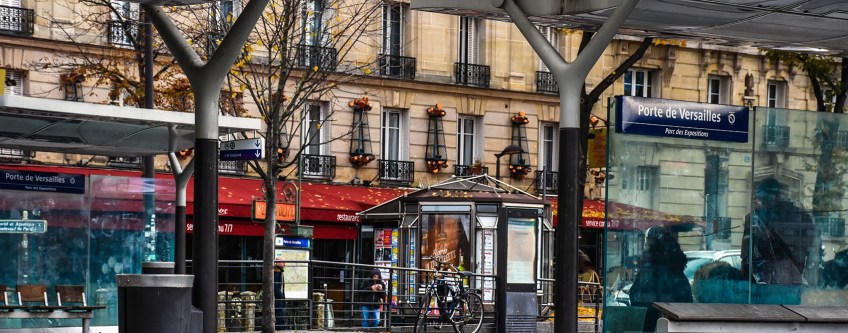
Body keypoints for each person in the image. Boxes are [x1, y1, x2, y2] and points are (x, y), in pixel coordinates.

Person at [742, 178, 815, 285]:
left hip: (787, 276)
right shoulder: (755, 217)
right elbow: (746, 256)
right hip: (772, 277)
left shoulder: (800, 216)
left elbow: (745, 257)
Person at [629, 226, 692, 332]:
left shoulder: (655, 275)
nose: (644, 250)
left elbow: (640, 300)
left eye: (647, 245)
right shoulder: (678, 276)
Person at [273, 261, 286, 330]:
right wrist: (281, 296)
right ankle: (279, 328)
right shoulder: (276, 272)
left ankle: (280, 327)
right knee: (279, 313)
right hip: (278, 298)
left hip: (280, 297)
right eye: (282, 262)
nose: (285, 264)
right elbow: (275, 286)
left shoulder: (279, 272)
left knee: (280, 313)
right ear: (277, 263)